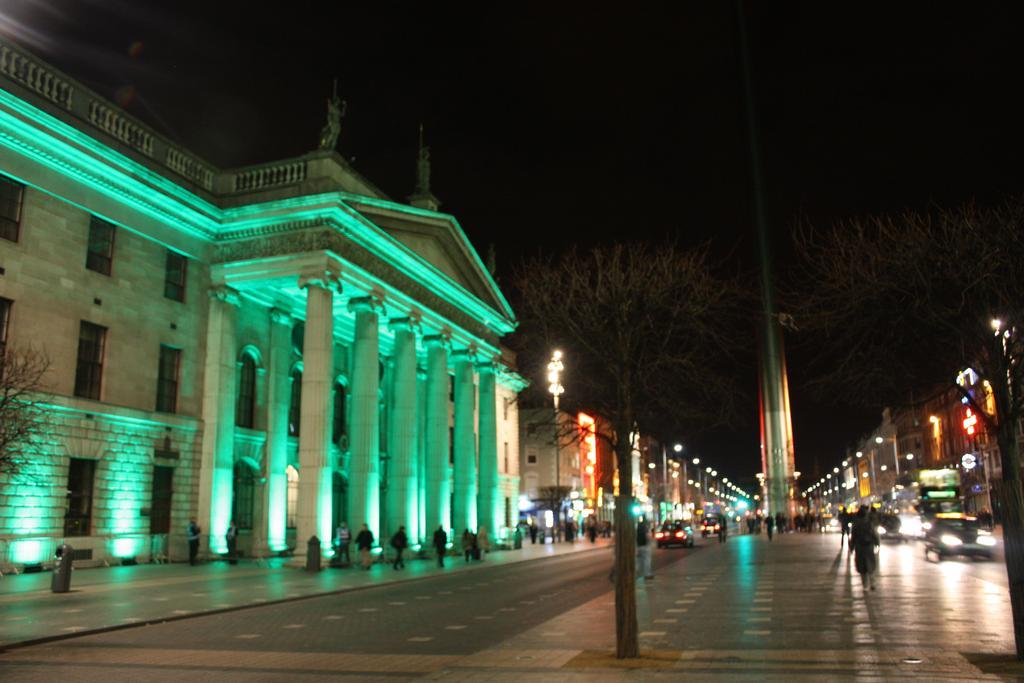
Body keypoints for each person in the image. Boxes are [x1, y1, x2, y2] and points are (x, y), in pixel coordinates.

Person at [850, 506, 880, 591]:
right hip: (869, 547)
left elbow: (853, 537)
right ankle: (873, 583)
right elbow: (874, 534)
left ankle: (865, 585)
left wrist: (852, 547)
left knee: (862, 568)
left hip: (859, 547)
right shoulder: (869, 523)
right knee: (870, 566)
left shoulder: (856, 525)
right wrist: (877, 543)